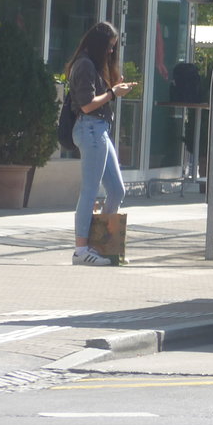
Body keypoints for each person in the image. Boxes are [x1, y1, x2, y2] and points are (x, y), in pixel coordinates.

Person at [64, 21, 137, 266]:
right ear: (98, 44)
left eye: (113, 48)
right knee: (90, 191)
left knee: (117, 190)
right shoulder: (84, 64)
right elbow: (86, 104)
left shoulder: (91, 64)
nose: (110, 52)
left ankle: (101, 243)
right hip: (90, 128)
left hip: (98, 130)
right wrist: (113, 93)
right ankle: (81, 249)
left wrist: (115, 88)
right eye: (109, 47)